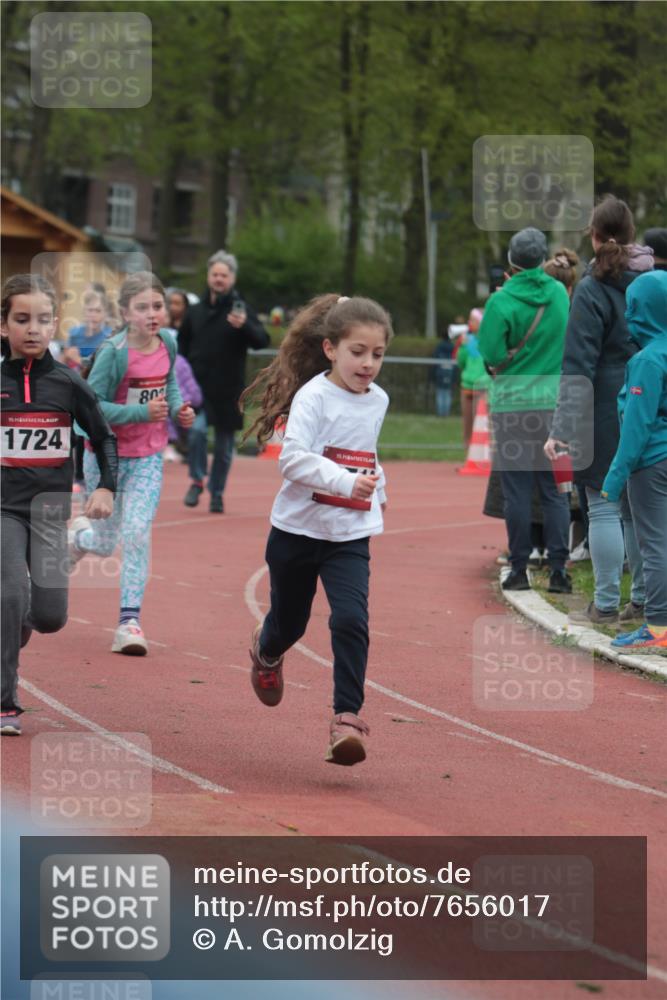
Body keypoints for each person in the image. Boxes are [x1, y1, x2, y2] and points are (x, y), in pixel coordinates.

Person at [241, 294, 391, 766]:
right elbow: (293, 460)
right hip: (297, 532)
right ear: (330, 349)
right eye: (358, 352)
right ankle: (267, 650)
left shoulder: (379, 400)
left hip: (348, 534)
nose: (368, 364)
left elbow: (365, 454)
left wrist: (376, 489)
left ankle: (347, 718)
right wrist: (348, 481)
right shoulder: (312, 397)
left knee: (351, 620)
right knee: (290, 622)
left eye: (378, 354)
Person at [1, 274, 117, 735]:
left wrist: (105, 486)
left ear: (54, 325)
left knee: (49, 617)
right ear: (3, 324)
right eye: (22, 319)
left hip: (50, 510)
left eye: (44, 320)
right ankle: (5, 702)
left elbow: (104, 436)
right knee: (7, 594)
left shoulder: (69, 384)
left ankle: (21, 620)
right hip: (4, 509)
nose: (34, 329)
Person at [68, 271, 194, 654]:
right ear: (125, 312)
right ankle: (77, 538)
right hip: (105, 459)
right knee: (105, 544)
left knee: (137, 534)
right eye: (142, 308)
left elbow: (169, 383)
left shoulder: (167, 343)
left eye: (157, 306)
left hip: (148, 459)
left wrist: (177, 408)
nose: (152, 314)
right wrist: (140, 412)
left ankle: (129, 623)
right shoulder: (113, 353)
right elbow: (91, 409)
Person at [545, 195, 654, 625]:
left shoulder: (591, 289)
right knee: (641, 509)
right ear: (632, 236)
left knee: (604, 504)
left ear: (593, 236)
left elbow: (578, 365)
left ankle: (605, 603)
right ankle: (644, 599)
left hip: (606, 405)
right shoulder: (653, 282)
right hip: (650, 399)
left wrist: (561, 427)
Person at [478, 227, 572, 594]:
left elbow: (492, 355)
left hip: (512, 407)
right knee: (556, 490)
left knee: (516, 491)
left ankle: (519, 569)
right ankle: (559, 572)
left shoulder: (500, 302)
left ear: (512, 262)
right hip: (558, 407)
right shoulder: (559, 296)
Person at [601, 271, 667, 653]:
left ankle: (657, 625)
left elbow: (637, 427)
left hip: (652, 462)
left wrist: (614, 476)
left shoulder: (647, 360)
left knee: (654, 545)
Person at [179, 250, 270, 513]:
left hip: (229, 390)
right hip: (197, 389)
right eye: (215, 274)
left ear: (232, 278)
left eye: (224, 275)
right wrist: (180, 372)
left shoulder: (240, 310)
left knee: (224, 449)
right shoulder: (194, 311)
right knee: (196, 432)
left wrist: (245, 326)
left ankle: (217, 492)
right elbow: (183, 343)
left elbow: (262, 341)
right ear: (209, 276)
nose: (219, 279)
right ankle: (197, 479)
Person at [457, 308, 491, 448]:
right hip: (466, 385)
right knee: (467, 424)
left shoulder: (488, 340)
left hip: (482, 387)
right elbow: (461, 362)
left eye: (473, 320)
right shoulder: (467, 340)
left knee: (481, 424)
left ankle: (483, 458)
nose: (469, 323)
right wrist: (463, 348)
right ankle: (468, 457)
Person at [431, 329, 456, 417]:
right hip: (450, 372)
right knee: (447, 393)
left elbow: (435, 360)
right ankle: (446, 413)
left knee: (440, 393)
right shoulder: (453, 347)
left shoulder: (439, 347)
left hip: (440, 372)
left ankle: (440, 413)